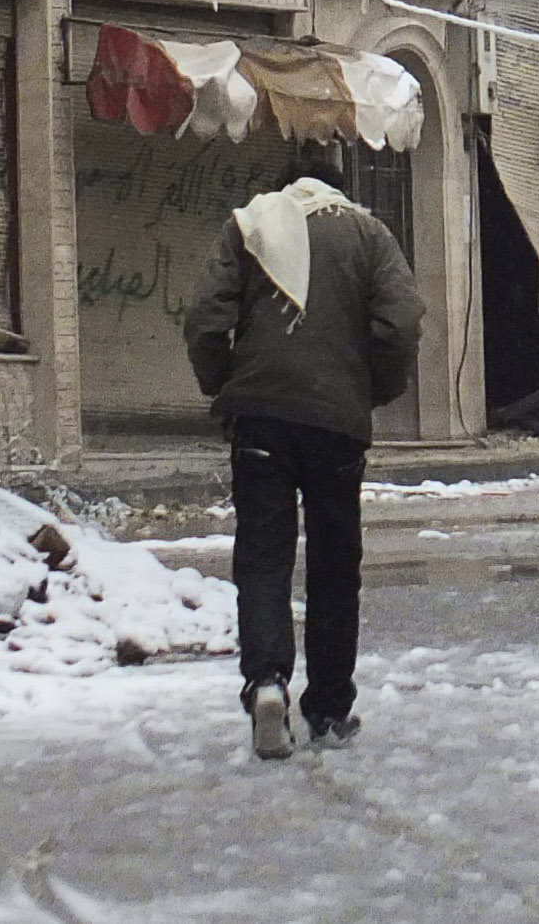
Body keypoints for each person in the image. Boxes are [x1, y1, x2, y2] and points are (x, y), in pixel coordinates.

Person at [182, 143, 422, 758]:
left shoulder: (251, 224)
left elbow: (206, 318)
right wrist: (373, 391)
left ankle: (266, 681)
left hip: (261, 416)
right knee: (335, 566)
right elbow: (399, 324)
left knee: (263, 556)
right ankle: (330, 709)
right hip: (337, 425)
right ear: (337, 190)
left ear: (287, 186)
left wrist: (225, 383)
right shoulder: (369, 235)